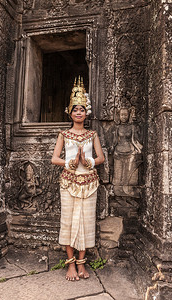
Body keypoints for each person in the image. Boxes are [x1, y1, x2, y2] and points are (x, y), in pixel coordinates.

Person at [51, 77, 105, 281]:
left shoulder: (92, 135)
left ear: (86, 112)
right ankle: (70, 264)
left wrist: (87, 161)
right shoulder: (64, 134)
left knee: (86, 221)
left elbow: (101, 158)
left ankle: (82, 263)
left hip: (89, 182)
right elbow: (54, 158)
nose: (79, 113)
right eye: (75, 110)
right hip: (68, 182)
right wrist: (69, 163)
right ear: (70, 112)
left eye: (82, 109)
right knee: (69, 222)